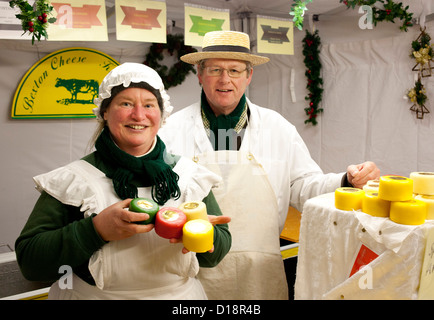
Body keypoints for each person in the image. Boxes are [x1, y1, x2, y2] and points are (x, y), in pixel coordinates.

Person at [158, 30, 381, 300]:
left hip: (261, 274)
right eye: (215, 69)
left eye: (235, 70)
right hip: (192, 268)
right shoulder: (169, 131)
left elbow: (303, 186)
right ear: (199, 74)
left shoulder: (278, 128)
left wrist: (347, 181)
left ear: (249, 76)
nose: (225, 79)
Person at [15, 62, 231, 300]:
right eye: (126, 103)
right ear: (105, 112)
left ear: (162, 114)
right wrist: (96, 230)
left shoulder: (188, 175)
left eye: (149, 105)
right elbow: (31, 263)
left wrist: (202, 235)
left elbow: (214, 256)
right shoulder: (75, 178)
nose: (139, 115)